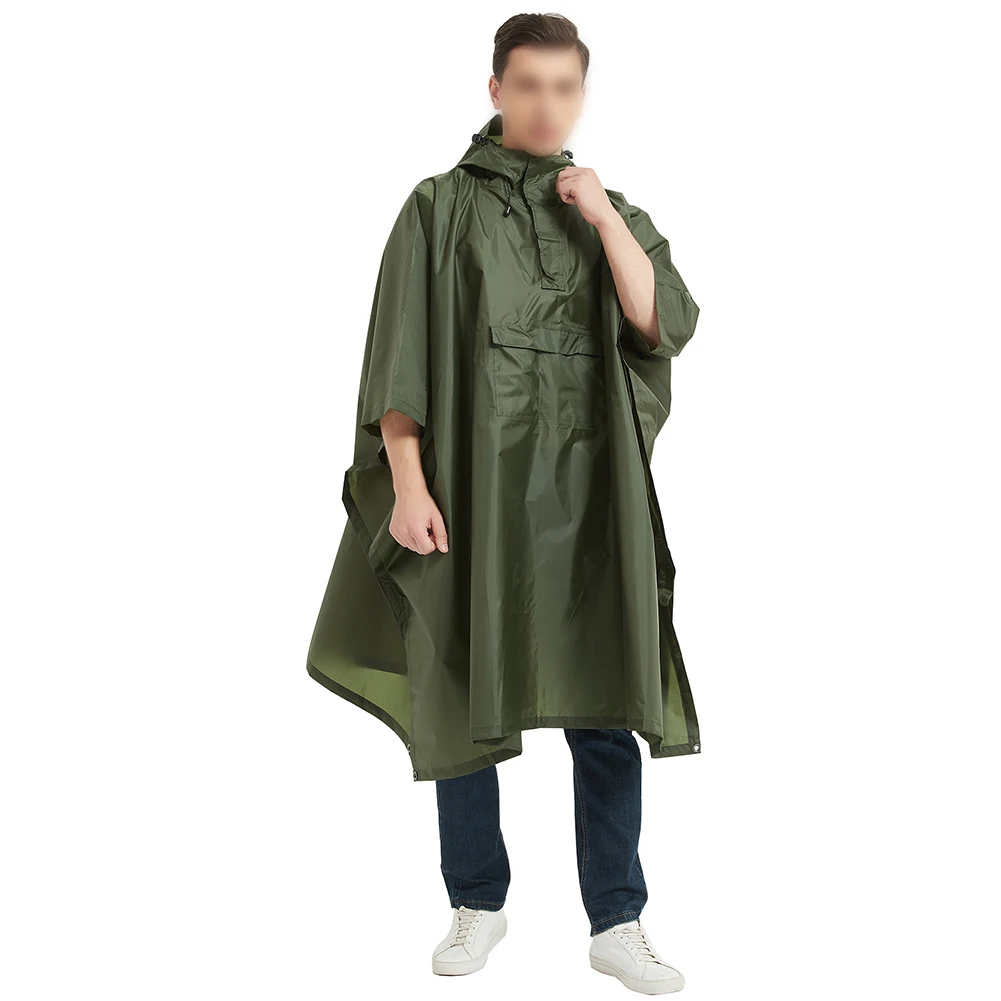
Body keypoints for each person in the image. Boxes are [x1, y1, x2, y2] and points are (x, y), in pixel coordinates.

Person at [306, 13, 701, 994]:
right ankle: (477, 900)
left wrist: (601, 215)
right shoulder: (438, 207)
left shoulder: (609, 210)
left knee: (605, 695)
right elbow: (399, 353)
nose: (545, 105)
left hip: (588, 496)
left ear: (581, 94)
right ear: (494, 90)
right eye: (527, 84)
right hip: (473, 490)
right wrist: (406, 484)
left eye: (564, 87)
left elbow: (659, 320)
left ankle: (616, 917)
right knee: (460, 685)